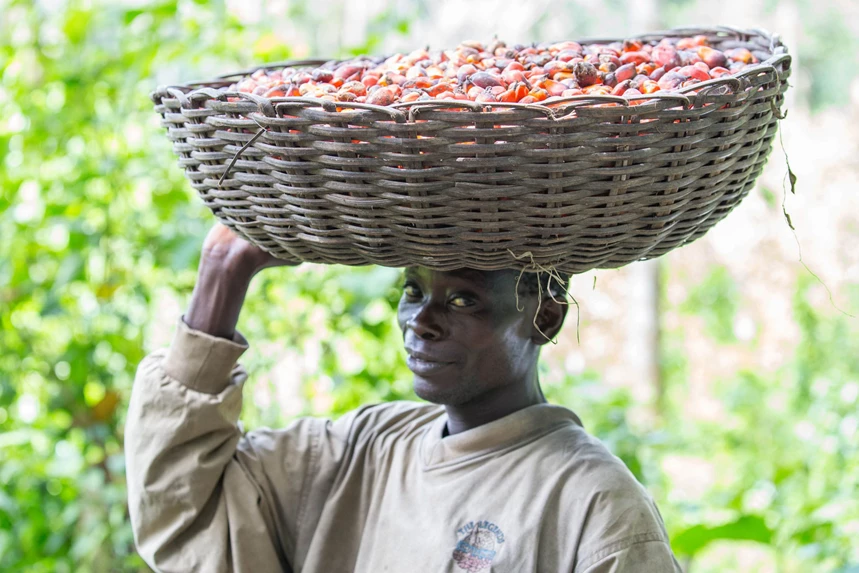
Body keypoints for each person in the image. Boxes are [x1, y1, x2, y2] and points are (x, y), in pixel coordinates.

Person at [125, 222, 682, 573]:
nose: (422, 320)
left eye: (463, 300)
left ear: (545, 317)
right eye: (414, 290)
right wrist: (224, 270)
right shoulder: (362, 450)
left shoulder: (594, 504)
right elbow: (179, 505)